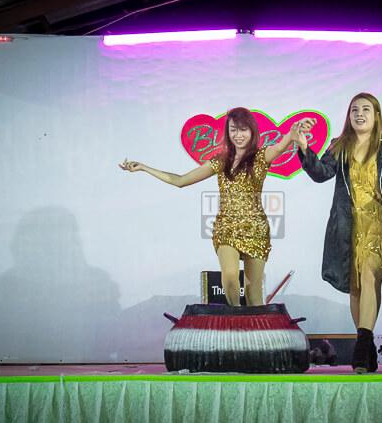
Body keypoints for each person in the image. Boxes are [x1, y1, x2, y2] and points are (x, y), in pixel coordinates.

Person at [121, 107, 314, 306]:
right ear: (228, 132)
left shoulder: (261, 156)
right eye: (233, 130)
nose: (238, 135)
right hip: (226, 228)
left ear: (252, 131)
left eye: (243, 129)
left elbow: (280, 147)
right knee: (229, 277)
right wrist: (144, 168)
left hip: (256, 229)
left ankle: (252, 325)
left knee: (254, 294)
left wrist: (292, 134)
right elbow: (180, 181)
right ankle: (235, 316)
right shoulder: (220, 161)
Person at [293, 93, 382, 373]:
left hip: (380, 226)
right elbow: (321, 173)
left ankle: (361, 347)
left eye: (366, 109)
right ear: (349, 116)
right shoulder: (339, 145)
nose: (360, 114)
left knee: (369, 277)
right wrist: (304, 147)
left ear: (376, 115)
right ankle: (367, 347)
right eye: (354, 110)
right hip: (348, 227)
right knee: (356, 287)